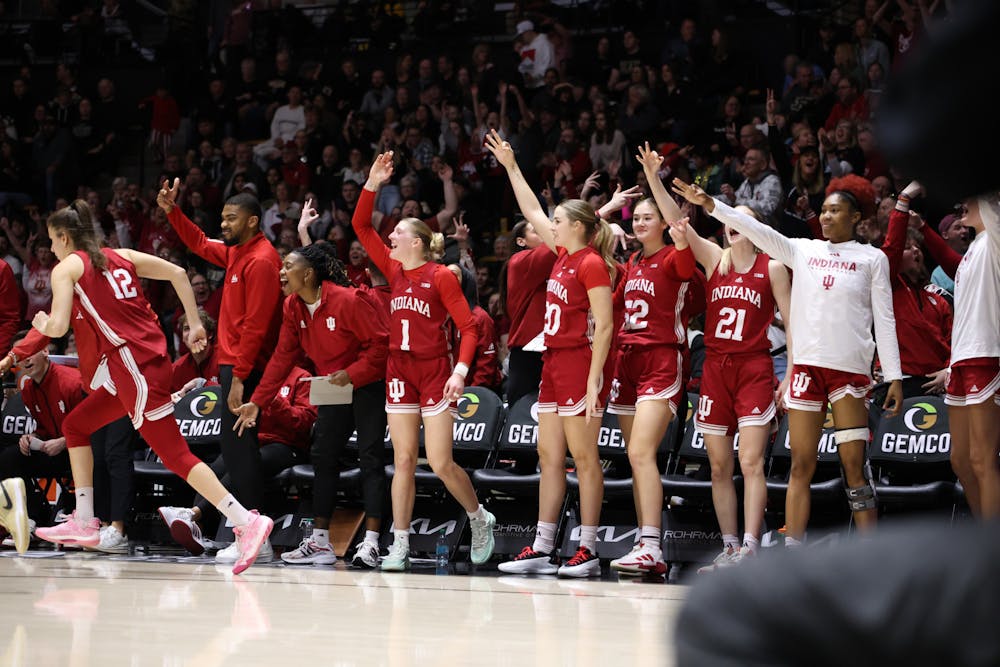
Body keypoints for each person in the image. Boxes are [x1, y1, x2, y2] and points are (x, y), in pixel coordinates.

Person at [26, 200, 272, 574]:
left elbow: (58, 328)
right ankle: (86, 519)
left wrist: (42, 322)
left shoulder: (67, 268)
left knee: (176, 456)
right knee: (76, 426)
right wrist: (196, 323)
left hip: (134, 368)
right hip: (141, 364)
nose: (52, 248)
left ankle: (246, 522)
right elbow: (176, 271)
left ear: (63, 237)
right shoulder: (119, 254)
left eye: (51, 240)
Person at [671, 175, 903, 546]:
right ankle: (793, 548)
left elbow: (885, 317)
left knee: (853, 467)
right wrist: (711, 204)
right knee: (800, 465)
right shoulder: (803, 250)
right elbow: (754, 227)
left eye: (835, 211)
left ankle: (869, 553)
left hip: (849, 372)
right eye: (823, 210)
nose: (825, 217)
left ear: (856, 217)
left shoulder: (872, 258)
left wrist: (894, 375)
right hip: (808, 369)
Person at [352, 151, 495, 572]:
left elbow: (469, 328)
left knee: (441, 461)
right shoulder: (394, 271)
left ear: (417, 241)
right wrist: (372, 181)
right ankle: (399, 543)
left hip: (435, 371)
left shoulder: (442, 275)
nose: (389, 237)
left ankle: (478, 517)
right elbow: (360, 225)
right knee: (403, 461)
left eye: (396, 233)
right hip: (400, 371)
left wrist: (459, 372)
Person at [486, 129, 616, 578]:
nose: (552, 225)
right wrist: (511, 166)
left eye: (559, 221)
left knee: (584, 459)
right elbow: (531, 210)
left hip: (580, 364)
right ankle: (542, 545)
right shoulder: (561, 255)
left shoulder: (592, 263)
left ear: (578, 227)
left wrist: (596, 377)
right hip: (552, 363)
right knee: (548, 456)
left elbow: (606, 325)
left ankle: (589, 547)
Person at [651, 158, 792, 570]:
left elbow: (793, 322)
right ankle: (729, 546)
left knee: (750, 462)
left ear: (755, 230)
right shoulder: (716, 259)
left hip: (754, 369)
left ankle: (750, 545)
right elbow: (679, 224)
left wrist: (794, 372)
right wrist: (653, 180)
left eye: (741, 221)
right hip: (715, 369)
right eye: (730, 222)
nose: (732, 226)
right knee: (718, 465)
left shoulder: (774, 267)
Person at [233, 235, 390, 569]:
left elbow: (380, 347)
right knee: (322, 454)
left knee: (371, 457)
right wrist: (258, 402)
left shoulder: (349, 300)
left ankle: (373, 542)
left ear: (308, 275)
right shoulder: (292, 307)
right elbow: (281, 358)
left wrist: (352, 373)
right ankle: (320, 542)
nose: (281, 271)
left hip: (367, 384)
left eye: (288, 266)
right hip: (333, 386)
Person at [158, 179, 282, 564]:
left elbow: (257, 326)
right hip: (233, 366)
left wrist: (240, 377)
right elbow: (197, 242)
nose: (223, 223)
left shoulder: (261, 260)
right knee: (237, 452)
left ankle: (255, 537)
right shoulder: (237, 254)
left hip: (243, 368)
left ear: (253, 221)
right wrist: (171, 212)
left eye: (232, 218)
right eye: (223, 217)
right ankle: (253, 536)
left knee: (242, 455)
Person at [601, 144, 698, 577]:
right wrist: (606, 213)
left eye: (647, 217)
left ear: (663, 223)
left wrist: (654, 178)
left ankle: (651, 545)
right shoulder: (631, 264)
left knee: (641, 452)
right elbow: (583, 235)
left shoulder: (678, 257)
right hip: (627, 362)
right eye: (636, 218)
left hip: (662, 360)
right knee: (636, 456)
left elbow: (679, 221)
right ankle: (647, 542)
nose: (640, 222)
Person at [160, 364, 314, 561]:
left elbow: (304, 422)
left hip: (286, 446)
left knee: (242, 466)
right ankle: (198, 532)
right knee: (217, 466)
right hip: (253, 441)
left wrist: (274, 401)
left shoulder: (301, 377)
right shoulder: (258, 376)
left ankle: (193, 514)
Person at [942, 192, 1000, 518]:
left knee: (982, 459)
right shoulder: (971, 250)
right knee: (960, 460)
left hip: (987, 354)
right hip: (961, 358)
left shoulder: (995, 236)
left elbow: (990, 202)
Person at [0, 334, 81, 531]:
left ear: (45, 351)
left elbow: (93, 429)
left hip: (83, 453)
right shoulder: (28, 390)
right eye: (20, 355)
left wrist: (63, 442)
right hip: (55, 452)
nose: (25, 359)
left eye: (29, 352)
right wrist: (32, 437)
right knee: (10, 457)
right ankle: (31, 515)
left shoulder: (72, 382)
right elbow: (44, 429)